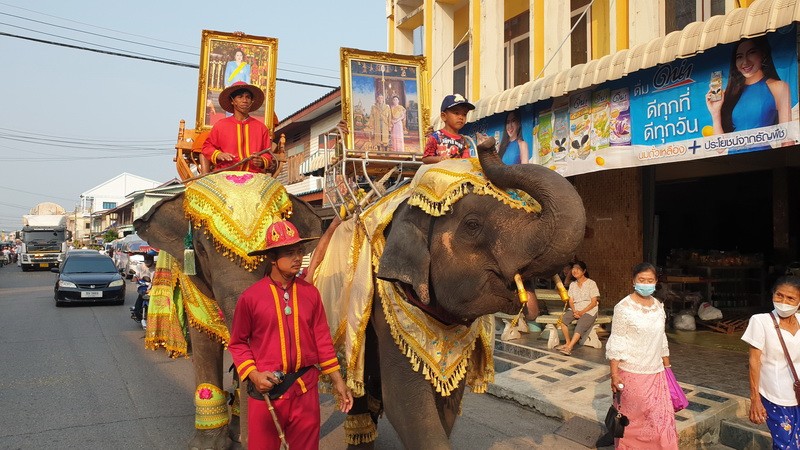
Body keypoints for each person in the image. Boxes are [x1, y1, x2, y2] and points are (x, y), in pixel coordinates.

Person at [229, 220, 353, 449]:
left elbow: (323, 341)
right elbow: (237, 343)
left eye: (299, 251)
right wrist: (254, 375)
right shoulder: (251, 298)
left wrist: (339, 381)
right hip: (267, 390)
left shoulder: (311, 294)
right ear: (272, 258)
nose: (298, 257)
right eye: (290, 253)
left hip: (304, 389)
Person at [605, 262, 678, 449]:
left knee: (661, 423)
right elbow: (617, 341)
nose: (646, 284)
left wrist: (668, 369)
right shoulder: (623, 307)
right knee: (633, 425)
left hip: (656, 376)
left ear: (656, 282)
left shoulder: (658, 307)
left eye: (650, 280)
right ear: (633, 281)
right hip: (631, 375)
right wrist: (614, 374)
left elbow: (662, 339)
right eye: (642, 280)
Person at [741, 276, 800, 448]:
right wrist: (755, 399)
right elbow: (754, 362)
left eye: (790, 298)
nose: (783, 301)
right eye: (779, 295)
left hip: (797, 394)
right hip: (775, 395)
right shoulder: (760, 321)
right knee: (786, 446)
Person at [705, 37, 791, 136]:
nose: (745, 62)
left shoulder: (778, 87)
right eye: (739, 57)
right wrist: (715, 112)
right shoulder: (731, 94)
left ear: (762, 54)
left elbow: (787, 138)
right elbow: (720, 149)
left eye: (751, 53)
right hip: (733, 151)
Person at [201, 81, 275, 174]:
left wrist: (262, 161)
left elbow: (268, 154)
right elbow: (207, 147)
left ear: (251, 101)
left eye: (247, 97)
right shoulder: (221, 125)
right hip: (225, 175)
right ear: (232, 101)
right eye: (240, 97)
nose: (244, 100)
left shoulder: (261, 128)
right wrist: (218, 154)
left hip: (253, 176)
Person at [555, 260, 599, 356]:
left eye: (578, 269)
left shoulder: (591, 283)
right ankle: (567, 342)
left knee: (580, 325)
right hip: (576, 309)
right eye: (574, 269)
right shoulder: (572, 284)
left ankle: (569, 347)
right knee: (563, 321)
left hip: (590, 310)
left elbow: (594, 302)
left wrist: (582, 312)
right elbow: (571, 301)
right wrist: (575, 311)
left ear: (584, 271)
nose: (575, 271)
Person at [422, 94, 476, 164]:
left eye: (464, 114)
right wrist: (440, 159)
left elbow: (466, 161)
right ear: (444, 116)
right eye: (456, 113)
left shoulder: (463, 141)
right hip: (438, 173)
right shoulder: (436, 136)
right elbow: (426, 159)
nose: (461, 117)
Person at [130, 251, 156, 322]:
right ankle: (136, 311)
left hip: (153, 288)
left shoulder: (156, 268)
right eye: (146, 260)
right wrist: (134, 278)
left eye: (149, 260)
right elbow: (136, 275)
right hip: (143, 286)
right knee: (141, 296)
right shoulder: (140, 266)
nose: (147, 261)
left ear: (152, 260)